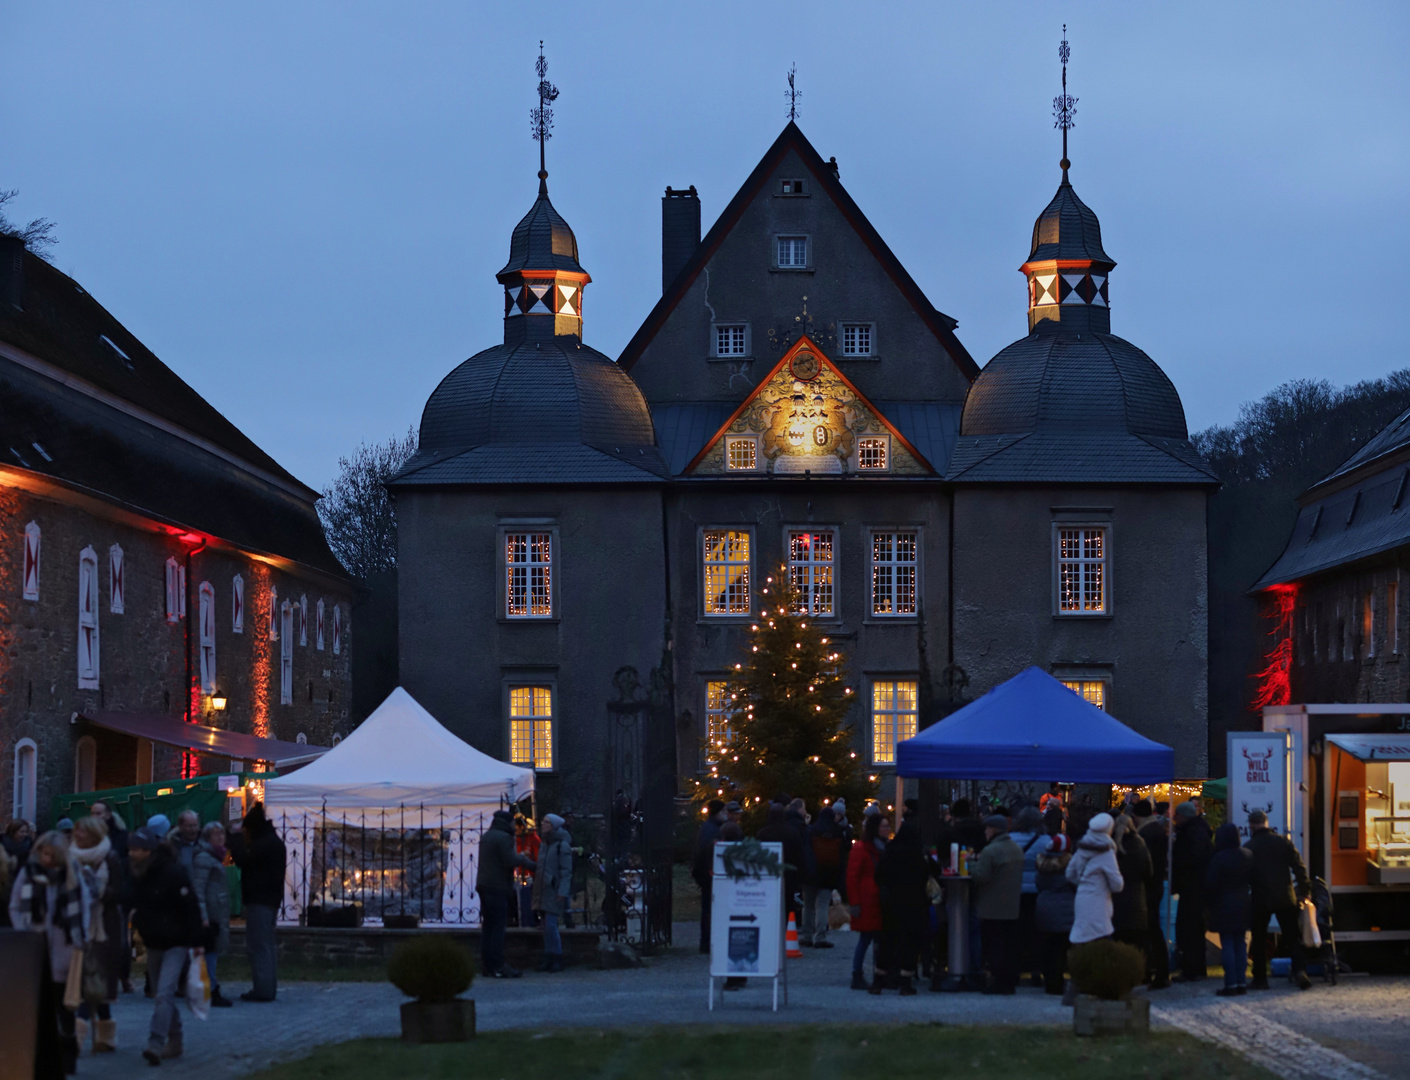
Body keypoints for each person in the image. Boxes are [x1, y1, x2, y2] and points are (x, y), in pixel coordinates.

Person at [9, 830, 85, 1073]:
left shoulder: (71, 874)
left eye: (52, 855)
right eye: (44, 853)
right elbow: (16, 905)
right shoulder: (28, 873)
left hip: (64, 945)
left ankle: (69, 1049)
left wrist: (79, 939)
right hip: (35, 945)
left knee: (65, 1004)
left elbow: (84, 904)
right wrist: (24, 931)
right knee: (41, 1004)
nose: (47, 860)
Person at [127, 826, 203, 1064]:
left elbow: (191, 907)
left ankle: (156, 1042)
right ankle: (176, 1038)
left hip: (175, 942)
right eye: (131, 849)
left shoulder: (173, 873)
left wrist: (197, 941)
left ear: (149, 851)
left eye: (137, 850)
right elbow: (134, 901)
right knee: (163, 995)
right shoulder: (137, 873)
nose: (132, 854)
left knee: (164, 993)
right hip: (153, 941)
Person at [1244, 808, 1313, 991]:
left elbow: (1246, 876)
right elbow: (1299, 867)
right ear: (1267, 823)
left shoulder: (1249, 847)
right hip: (1285, 896)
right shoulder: (1283, 842)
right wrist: (1305, 890)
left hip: (1260, 898)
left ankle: (1260, 978)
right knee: (1292, 937)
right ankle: (1300, 971)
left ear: (1251, 825)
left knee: (1258, 938)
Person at [72, 816, 124, 1053]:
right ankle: (106, 1036)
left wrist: (97, 889)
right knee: (92, 984)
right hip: (79, 926)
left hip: (103, 928)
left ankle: (77, 1037)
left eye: (81, 831)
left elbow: (120, 892)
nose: (77, 835)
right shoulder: (71, 858)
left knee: (93, 983)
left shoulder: (109, 858)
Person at [228, 801, 285, 1002]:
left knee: (259, 945)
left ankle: (263, 989)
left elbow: (243, 859)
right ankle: (267, 986)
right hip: (269, 899)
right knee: (266, 945)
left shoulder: (263, 845)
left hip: (259, 899)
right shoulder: (273, 842)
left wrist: (234, 839)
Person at [475, 807, 536, 978]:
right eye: (512, 822)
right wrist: (525, 860)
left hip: (484, 885)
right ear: (506, 822)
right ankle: (499, 965)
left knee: (488, 927)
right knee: (497, 928)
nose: (514, 826)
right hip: (497, 886)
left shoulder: (487, 836)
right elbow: (509, 860)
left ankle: (487, 965)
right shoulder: (504, 838)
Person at [872, 814, 927, 995]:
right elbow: (925, 875)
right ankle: (905, 981)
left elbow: (879, 875)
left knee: (887, 941)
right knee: (910, 943)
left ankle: (878, 980)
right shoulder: (917, 854)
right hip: (913, 903)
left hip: (891, 902)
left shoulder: (890, 851)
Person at [971, 813, 1024, 995]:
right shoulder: (1016, 849)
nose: (985, 832)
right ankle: (1008, 981)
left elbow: (981, 876)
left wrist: (970, 866)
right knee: (1008, 946)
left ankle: (995, 982)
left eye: (986, 828)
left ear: (993, 829)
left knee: (993, 946)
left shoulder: (990, 851)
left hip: (992, 907)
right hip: (1012, 907)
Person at [1205, 821, 1253, 997]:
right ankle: (1241, 981)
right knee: (1241, 943)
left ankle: (1230, 983)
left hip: (1224, 902)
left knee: (1227, 944)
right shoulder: (1247, 854)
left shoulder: (1219, 857)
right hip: (1243, 901)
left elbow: (1211, 883)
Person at [1067, 812, 1124, 950]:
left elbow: (1070, 874)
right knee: (1100, 940)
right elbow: (1117, 885)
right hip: (1099, 901)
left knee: (1082, 938)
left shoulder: (1082, 848)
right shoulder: (1106, 852)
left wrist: (1082, 883)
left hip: (1081, 898)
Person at [191, 821, 233, 1007]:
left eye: (221, 833)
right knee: (209, 951)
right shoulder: (204, 858)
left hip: (216, 909)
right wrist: (203, 915)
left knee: (212, 950)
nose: (220, 837)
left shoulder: (215, 856)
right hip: (209, 912)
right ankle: (210, 988)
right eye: (215, 834)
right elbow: (199, 888)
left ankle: (209, 986)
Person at [1171, 801, 1213, 982]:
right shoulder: (1198, 831)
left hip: (1192, 887)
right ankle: (1198, 967)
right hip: (1197, 887)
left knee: (1188, 929)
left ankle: (1191, 968)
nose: (1174, 819)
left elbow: (1192, 858)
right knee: (1195, 929)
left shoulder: (1192, 833)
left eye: (1177, 816)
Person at [1132, 798, 1171, 989]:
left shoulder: (1145, 834)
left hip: (1148, 886)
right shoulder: (1157, 830)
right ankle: (1154, 971)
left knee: (1151, 930)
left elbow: (1144, 864)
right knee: (1151, 929)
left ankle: (1158, 971)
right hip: (1155, 885)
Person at [846, 813, 886, 989]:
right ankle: (858, 973)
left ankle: (872, 973)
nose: (887, 829)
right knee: (867, 937)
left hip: (875, 897)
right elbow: (852, 877)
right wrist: (854, 902)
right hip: (867, 899)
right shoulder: (863, 849)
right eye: (884, 826)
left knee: (872, 937)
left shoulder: (877, 848)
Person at [1111, 811, 1154, 970]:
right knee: (1137, 939)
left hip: (1117, 896)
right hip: (1137, 896)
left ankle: (1119, 970)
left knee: (1119, 938)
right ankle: (1139, 970)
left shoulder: (1112, 846)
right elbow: (1148, 871)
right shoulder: (1139, 845)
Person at [1009, 805, 1046, 987]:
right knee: (1036, 933)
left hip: (1015, 890)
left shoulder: (1011, 839)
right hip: (1038, 890)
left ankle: (1014, 971)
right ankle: (1036, 971)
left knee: (1015, 933)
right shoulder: (1045, 841)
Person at [531, 813, 573, 973]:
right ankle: (549, 957)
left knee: (550, 925)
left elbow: (566, 871)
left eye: (546, 822)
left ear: (553, 826)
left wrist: (562, 890)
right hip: (543, 890)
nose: (543, 824)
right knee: (545, 926)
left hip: (553, 890)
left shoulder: (561, 846)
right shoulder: (545, 845)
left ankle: (556, 957)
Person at [1034, 832, 1075, 995]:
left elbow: (1038, 884)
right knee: (1061, 949)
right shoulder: (1069, 866)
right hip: (1066, 910)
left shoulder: (1042, 865)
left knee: (1048, 948)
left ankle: (1049, 981)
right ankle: (1059, 983)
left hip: (1044, 907)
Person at [802, 806, 847, 948]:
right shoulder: (838, 831)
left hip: (810, 874)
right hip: (829, 874)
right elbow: (843, 855)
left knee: (808, 906)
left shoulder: (812, 830)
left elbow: (806, 852)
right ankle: (820, 936)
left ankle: (807, 935)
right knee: (822, 906)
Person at [757, 804, 805, 924]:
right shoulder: (792, 833)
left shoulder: (762, 833)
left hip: (768, 874)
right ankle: (788, 929)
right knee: (789, 904)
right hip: (789, 874)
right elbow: (799, 854)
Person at [691, 800, 725, 954]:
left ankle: (706, 940)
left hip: (705, 873)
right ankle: (707, 941)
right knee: (709, 909)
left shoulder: (708, 827)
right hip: (709, 874)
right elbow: (708, 852)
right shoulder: (713, 830)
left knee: (708, 908)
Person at [513, 814, 541, 929]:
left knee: (528, 903)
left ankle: (529, 922)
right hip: (516, 876)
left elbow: (539, 858)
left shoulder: (532, 839)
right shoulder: (513, 839)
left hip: (530, 877)